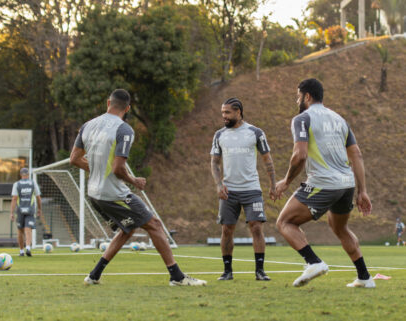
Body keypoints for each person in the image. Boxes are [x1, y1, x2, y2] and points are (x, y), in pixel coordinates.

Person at [70, 88, 206, 286]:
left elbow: (74, 159)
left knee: (127, 230)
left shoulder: (87, 125)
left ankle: (94, 275)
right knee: (155, 225)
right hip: (113, 194)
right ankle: (177, 276)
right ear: (128, 108)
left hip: (94, 194)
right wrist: (134, 181)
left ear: (108, 103)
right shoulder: (124, 129)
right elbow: (117, 168)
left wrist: (98, 169)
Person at [275, 78, 374, 288]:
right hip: (346, 185)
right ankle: (365, 277)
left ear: (307, 96)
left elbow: (299, 156)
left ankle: (314, 262)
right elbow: (356, 154)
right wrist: (362, 191)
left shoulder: (302, 119)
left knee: (285, 222)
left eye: (298, 96)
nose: (297, 100)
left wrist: (286, 181)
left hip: (323, 183)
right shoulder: (339, 119)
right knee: (340, 228)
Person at [210, 97, 277, 281]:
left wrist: (272, 185)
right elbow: (214, 162)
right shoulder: (219, 135)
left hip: (252, 190)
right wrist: (218, 184)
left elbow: (267, 160)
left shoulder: (255, 133)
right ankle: (227, 271)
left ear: (238, 112)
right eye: (222, 112)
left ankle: (260, 271)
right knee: (227, 230)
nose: (224, 116)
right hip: (228, 191)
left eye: (227, 112)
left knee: (256, 228)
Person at [10, 167, 43, 257]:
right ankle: (28, 247)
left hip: (20, 210)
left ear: (21, 175)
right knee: (28, 229)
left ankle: (21, 251)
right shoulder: (33, 183)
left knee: (20, 231)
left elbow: (14, 198)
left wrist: (11, 212)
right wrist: (39, 209)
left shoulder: (17, 184)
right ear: (28, 175)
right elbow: (38, 197)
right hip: (30, 210)